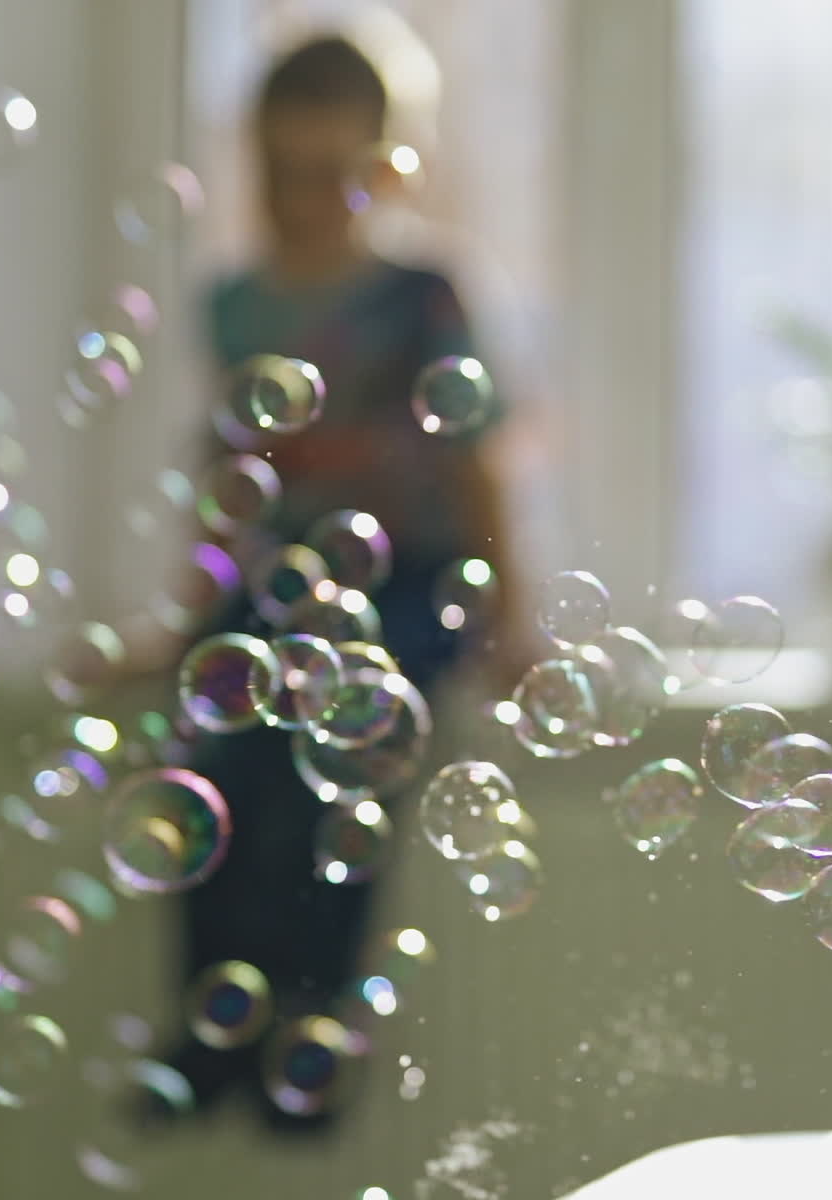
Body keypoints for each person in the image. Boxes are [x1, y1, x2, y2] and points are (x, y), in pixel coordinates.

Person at [142, 34, 524, 1135]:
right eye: (278, 174)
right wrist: (180, 620)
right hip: (271, 582)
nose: (300, 203)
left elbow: (475, 455)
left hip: (404, 581)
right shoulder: (234, 304)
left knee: (340, 773)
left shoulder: (421, 296)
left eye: (328, 176)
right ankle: (211, 1019)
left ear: (385, 170)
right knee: (207, 760)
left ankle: (312, 1025)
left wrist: (509, 616)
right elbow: (228, 483)